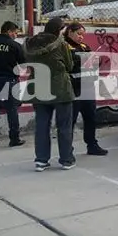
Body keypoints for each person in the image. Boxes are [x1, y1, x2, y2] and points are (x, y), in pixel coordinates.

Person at [23, 17, 76, 171]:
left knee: (41, 125)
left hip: (38, 88)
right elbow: (69, 65)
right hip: (60, 89)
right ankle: (66, 159)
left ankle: (41, 160)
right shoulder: (61, 44)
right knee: (64, 126)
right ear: (58, 30)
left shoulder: (29, 44)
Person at [63, 22, 108, 156]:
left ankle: (92, 145)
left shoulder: (84, 47)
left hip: (88, 88)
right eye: (78, 34)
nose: (81, 37)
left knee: (90, 118)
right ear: (70, 32)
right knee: (70, 121)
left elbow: (94, 64)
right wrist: (84, 61)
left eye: (83, 34)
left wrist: (96, 60)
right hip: (74, 90)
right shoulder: (65, 47)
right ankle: (67, 149)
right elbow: (69, 65)